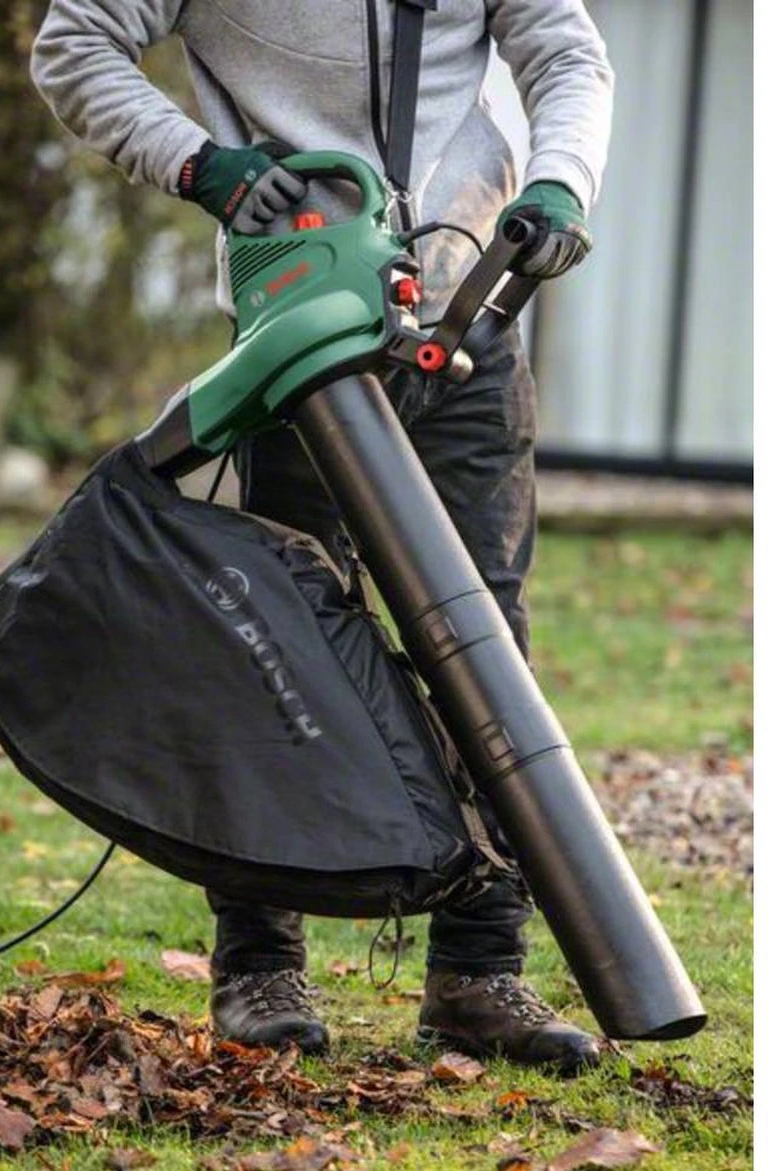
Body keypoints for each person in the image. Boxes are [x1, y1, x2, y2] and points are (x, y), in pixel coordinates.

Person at [30, 0, 614, 1074]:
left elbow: (565, 50)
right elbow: (73, 43)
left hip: (463, 312)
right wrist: (200, 164)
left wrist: (560, 181)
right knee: (276, 639)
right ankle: (260, 967)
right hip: (300, 322)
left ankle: (478, 974)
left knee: (485, 640)